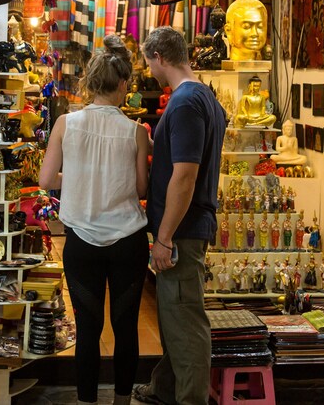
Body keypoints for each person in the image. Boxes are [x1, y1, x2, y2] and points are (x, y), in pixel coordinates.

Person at [39, 35, 151, 405]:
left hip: (81, 243)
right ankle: (121, 401)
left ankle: (87, 402)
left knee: (88, 330)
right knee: (126, 327)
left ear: (88, 82)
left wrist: (79, 179)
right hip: (127, 242)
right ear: (123, 85)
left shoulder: (65, 124)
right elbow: (139, 187)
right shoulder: (136, 131)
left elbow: (45, 181)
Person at [134, 27, 226, 405]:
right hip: (187, 226)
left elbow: (186, 175)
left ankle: (189, 400)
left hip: (183, 229)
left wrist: (164, 237)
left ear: (159, 57)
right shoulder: (202, 96)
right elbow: (184, 156)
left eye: (146, 60)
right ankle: (164, 389)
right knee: (176, 315)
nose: (146, 68)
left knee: (185, 319)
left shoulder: (186, 102)